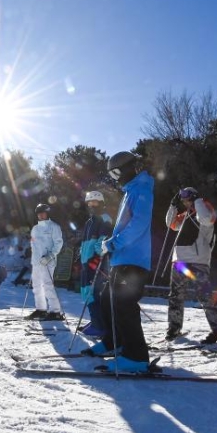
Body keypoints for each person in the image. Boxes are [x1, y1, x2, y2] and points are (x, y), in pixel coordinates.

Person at [84, 151, 153, 373]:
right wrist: (111, 242)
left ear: (125, 168)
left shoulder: (142, 189)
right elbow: (125, 223)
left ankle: (136, 357)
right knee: (106, 299)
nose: (114, 178)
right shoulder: (131, 190)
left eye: (115, 172)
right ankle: (115, 342)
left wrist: (115, 242)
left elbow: (139, 224)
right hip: (122, 257)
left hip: (134, 259)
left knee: (124, 304)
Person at [164, 187, 217, 343]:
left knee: (205, 296)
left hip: (198, 261)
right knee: (175, 296)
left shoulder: (205, 211)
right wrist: (172, 206)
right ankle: (174, 328)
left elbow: (206, 219)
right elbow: (170, 224)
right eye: (182, 199)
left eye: (187, 198)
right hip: (179, 260)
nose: (184, 201)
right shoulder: (185, 216)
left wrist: (198, 201)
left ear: (193, 198)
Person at [78, 190, 113, 337]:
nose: (92, 205)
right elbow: (86, 242)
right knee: (86, 292)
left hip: (97, 262)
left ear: (101, 203)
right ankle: (95, 321)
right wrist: (81, 253)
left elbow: (103, 240)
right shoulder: (89, 221)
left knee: (94, 293)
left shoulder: (104, 218)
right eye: (89, 202)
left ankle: (99, 326)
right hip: (87, 262)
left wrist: (98, 256)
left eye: (95, 202)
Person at [27, 204, 65, 321]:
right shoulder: (35, 229)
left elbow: (58, 243)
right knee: (37, 286)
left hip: (48, 261)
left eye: (43, 213)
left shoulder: (54, 227)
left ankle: (56, 311)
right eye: (39, 213)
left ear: (48, 213)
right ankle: (41, 309)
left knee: (48, 285)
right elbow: (33, 244)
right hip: (37, 262)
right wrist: (34, 259)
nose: (41, 215)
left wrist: (50, 256)